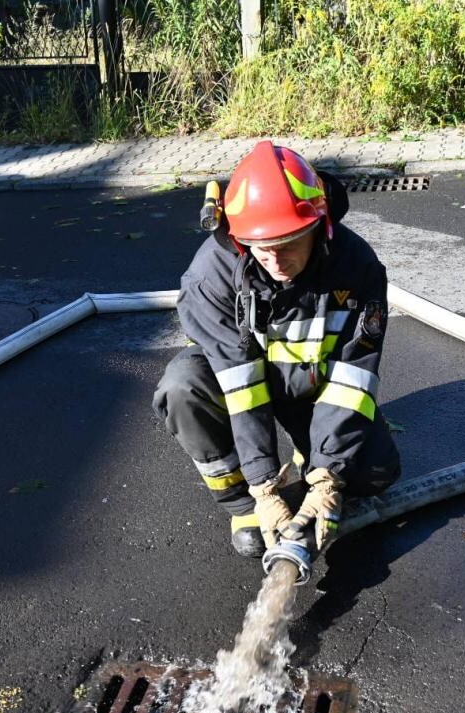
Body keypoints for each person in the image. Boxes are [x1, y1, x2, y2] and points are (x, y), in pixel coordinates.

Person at [152, 140, 401, 561]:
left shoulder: (356, 267)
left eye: (288, 242)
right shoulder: (210, 276)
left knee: (376, 472)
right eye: (259, 245)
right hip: (245, 391)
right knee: (182, 387)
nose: (273, 258)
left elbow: (351, 379)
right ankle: (243, 506)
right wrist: (264, 486)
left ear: (320, 225)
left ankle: (313, 452)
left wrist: (327, 477)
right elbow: (242, 387)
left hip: (314, 387)